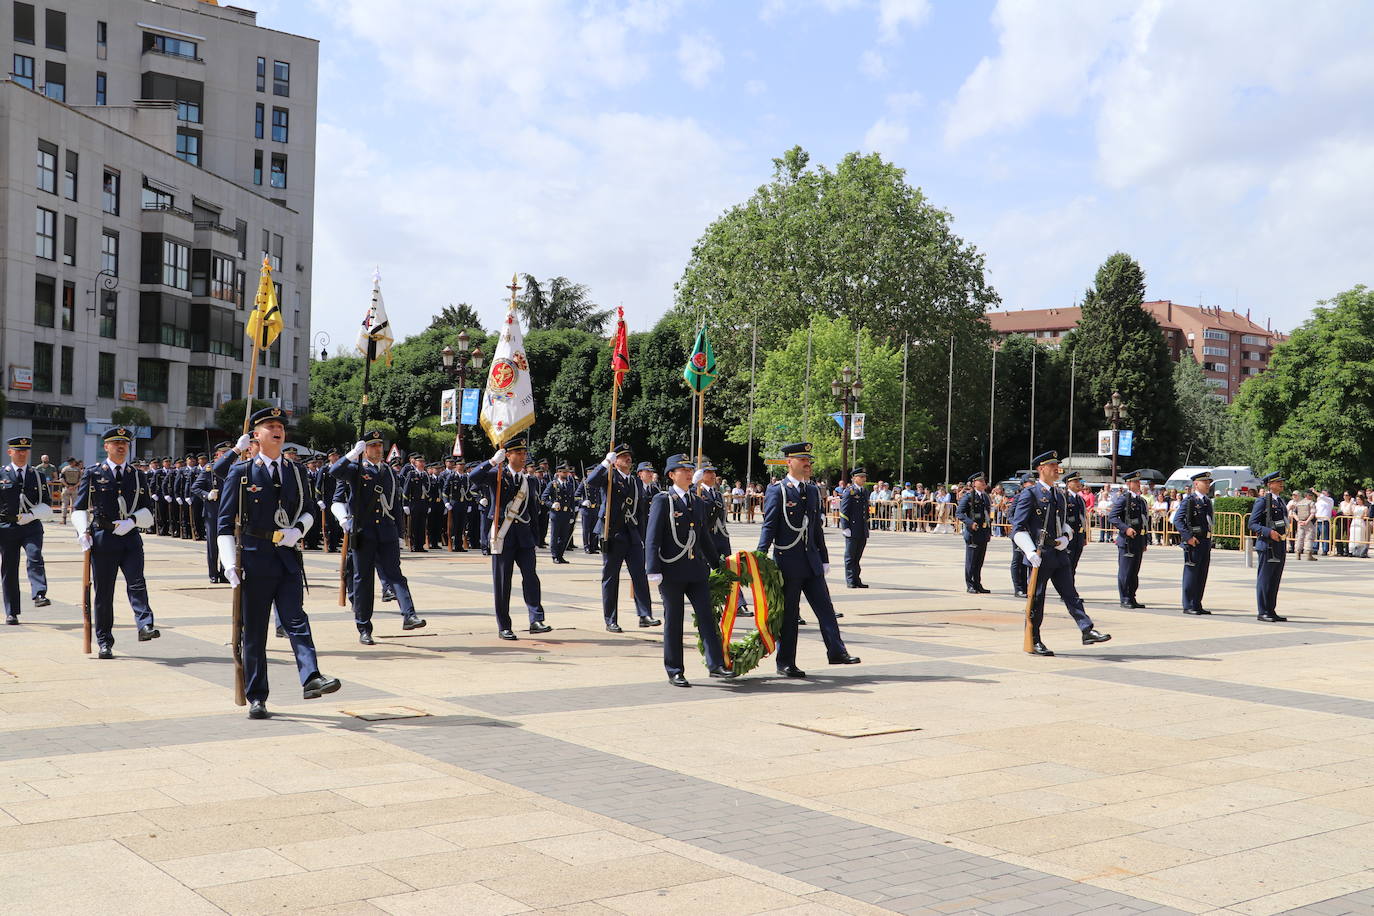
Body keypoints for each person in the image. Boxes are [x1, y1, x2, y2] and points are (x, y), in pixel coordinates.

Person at [216, 409, 339, 720]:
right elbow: (224, 523)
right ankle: (257, 696)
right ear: (256, 435)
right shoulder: (242, 472)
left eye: (281, 426)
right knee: (255, 632)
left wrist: (299, 530)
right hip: (254, 559)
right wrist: (229, 563)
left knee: (296, 620)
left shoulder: (296, 472)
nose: (277, 430)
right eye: (270, 426)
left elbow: (309, 509)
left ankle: (311, 677)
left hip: (287, 558)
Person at [757, 443, 860, 676]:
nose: (807, 464)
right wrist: (760, 555)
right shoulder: (778, 491)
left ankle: (836, 651)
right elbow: (770, 525)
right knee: (789, 616)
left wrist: (823, 558)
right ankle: (786, 663)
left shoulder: (812, 490)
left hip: (811, 561)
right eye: (802, 460)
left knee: (826, 609)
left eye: (809, 461)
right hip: (788, 561)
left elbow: (816, 528)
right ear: (788, 463)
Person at [645, 454, 735, 687]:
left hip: (696, 570)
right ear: (671, 475)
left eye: (689, 469)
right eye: (682, 469)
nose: (687, 473)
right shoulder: (663, 500)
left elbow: (704, 538)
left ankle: (715, 664)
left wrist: (718, 565)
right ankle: (675, 669)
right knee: (674, 620)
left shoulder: (696, 502)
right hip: (672, 569)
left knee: (707, 617)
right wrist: (652, 568)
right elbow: (653, 536)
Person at [330, 431, 426, 644]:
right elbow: (335, 471)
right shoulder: (356, 469)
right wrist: (352, 454)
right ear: (365, 449)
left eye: (379, 445)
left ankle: (409, 615)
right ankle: (364, 627)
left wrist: (400, 533)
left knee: (396, 575)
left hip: (387, 530)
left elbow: (396, 504)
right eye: (372, 446)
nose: (377, 449)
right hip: (364, 532)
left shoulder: (390, 473)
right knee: (363, 580)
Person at [70, 427, 159, 659]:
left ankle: (145, 625)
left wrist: (132, 521)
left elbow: (148, 508)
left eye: (125, 443)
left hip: (130, 538)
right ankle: (104, 641)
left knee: (137, 583)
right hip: (103, 538)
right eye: (116, 443)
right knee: (104, 594)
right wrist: (82, 531)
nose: (121, 447)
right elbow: (79, 507)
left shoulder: (138, 475)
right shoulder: (93, 473)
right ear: (106, 447)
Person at [1011, 451, 1111, 656]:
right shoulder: (1029, 494)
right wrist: (1029, 551)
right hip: (1040, 555)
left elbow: (1064, 523)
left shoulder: (1059, 495)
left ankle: (1086, 629)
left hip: (1058, 553)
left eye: (1057, 465)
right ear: (1041, 469)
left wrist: (1066, 537)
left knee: (1071, 594)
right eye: (1052, 465)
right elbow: (1017, 527)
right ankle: (1034, 639)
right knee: (1037, 599)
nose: (1057, 469)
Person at [470, 436, 551, 639]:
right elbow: (473, 477)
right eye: (519, 453)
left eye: (524, 453)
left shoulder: (529, 480)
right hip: (503, 536)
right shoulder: (496, 475)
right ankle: (504, 625)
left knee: (531, 578)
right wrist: (492, 462)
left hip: (524, 538)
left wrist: (536, 537)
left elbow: (533, 510)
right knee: (502, 582)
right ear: (508, 455)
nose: (523, 457)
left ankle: (536, 619)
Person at [586, 444, 659, 633]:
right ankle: (610, 619)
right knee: (611, 578)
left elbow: (641, 511)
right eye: (623, 456)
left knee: (639, 576)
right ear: (615, 460)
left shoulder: (635, 482)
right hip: (612, 532)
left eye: (629, 455)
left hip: (632, 534)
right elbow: (591, 482)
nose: (628, 458)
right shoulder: (609, 476)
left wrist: (643, 537)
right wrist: (604, 464)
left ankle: (644, 615)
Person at [1, 436, 54, 623]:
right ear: (10, 452)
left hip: (31, 525)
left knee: (35, 555)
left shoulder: (37, 475)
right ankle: (11, 611)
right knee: (9, 568)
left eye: (25, 451)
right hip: (7, 527)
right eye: (18, 451)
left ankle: (39, 593)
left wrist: (31, 515)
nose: (22, 454)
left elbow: (47, 503)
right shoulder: (2, 475)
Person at [1249, 472, 1291, 621]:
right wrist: (1268, 532)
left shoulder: (1280, 501)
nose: (1281, 484)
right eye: (1277, 481)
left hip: (1279, 544)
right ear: (1269, 484)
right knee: (1265, 579)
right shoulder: (1262, 501)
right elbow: (1252, 524)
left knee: (1275, 579)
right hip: (1267, 545)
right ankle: (1263, 611)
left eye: (1281, 481)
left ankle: (1271, 610)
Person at [192, 441, 234, 584]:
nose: (228, 456)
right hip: (213, 512)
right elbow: (195, 487)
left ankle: (224, 571)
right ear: (218, 454)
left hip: (229, 512)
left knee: (228, 543)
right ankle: (213, 573)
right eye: (225, 453)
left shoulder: (235, 468)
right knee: (213, 545)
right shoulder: (210, 469)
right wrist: (207, 495)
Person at [1110, 471, 1151, 608]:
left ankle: (1132, 596)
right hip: (1127, 541)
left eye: (1139, 482)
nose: (1139, 484)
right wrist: (1125, 528)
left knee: (1134, 571)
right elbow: (1113, 517)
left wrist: (1145, 540)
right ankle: (1125, 598)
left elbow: (1144, 522)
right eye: (1136, 482)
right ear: (1128, 484)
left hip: (1138, 540)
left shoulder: (1141, 501)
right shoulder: (1123, 499)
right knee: (1125, 571)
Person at [956, 471, 992, 593]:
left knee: (979, 560)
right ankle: (970, 584)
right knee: (971, 561)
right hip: (973, 532)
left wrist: (989, 531)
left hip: (983, 532)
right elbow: (959, 513)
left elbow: (987, 515)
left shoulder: (985, 497)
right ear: (974, 483)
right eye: (980, 481)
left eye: (984, 481)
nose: (983, 483)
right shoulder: (968, 496)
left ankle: (977, 583)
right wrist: (970, 523)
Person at [838, 467, 871, 588]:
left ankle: (857, 579)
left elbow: (865, 511)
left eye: (864, 477)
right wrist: (845, 527)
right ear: (854, 478)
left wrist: (867, 524)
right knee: (850, 556)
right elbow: (844, 511)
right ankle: (851, 580)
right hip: (852, 529)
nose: (863, 479)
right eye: (861, 477)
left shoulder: (864, 491)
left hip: (861, 529)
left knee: (857, 557)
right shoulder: (849, 491)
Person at [541, 463, 577, 564]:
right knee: (555, 536)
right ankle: (554, 556)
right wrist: (552, 504)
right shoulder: (553, 484)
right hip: (556, 514)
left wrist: (572, 514)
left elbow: (572, 500)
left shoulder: (569, 485)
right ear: (558, 473)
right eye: (563, 472)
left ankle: (560, 555)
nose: (566, 474)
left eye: (567, 472)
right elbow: (543, 498)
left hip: (566, 514)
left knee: (564, 536)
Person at [1010, 473, 1035, 597]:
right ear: (1023, 484)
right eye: (1028, 482)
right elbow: (1011, 514)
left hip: (1031, 534)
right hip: (1020, 533)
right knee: (1018, 561)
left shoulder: (1035, 496)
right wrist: (1018, 527)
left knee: (1028, 561)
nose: (1031, 484)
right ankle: (1018, 588)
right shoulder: (1019, 497)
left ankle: (1027, 587)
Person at [1062, 471, 1088, 571]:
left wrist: (1084, 536)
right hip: (1068, 537)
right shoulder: (1064, 497)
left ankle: (1070, 585)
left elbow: (1083, 519)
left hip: (1079, 537)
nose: (1078, 483)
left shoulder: (1080, 499)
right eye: (1075, 481)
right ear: (1068, 484)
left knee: (1073, 565)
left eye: (1079, 481)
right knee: (1067, 565)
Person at [576, 470, 601, 554]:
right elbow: (576, 496)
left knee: (594, 529)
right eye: (590, 472)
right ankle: (586, 546)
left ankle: (593, 546)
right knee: (586, 529)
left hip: (595, 509)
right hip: (586, 509)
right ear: (587, 473)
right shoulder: (584, 483)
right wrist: (583, 502)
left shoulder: (598, 483)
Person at [1289, 489, 1318, 561]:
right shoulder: (1311, 503)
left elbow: (1294, 513)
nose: (1311, 497)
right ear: (1308, 495)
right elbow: (1312, 513)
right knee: (1309, 538)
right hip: (1308, 522)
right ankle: (1308, 554)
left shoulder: (1299, 503)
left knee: (1300, 538)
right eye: (1311, 495)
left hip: (1300, 522)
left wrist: (1298, 520)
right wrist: (1307, 521)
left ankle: (1298, 554)